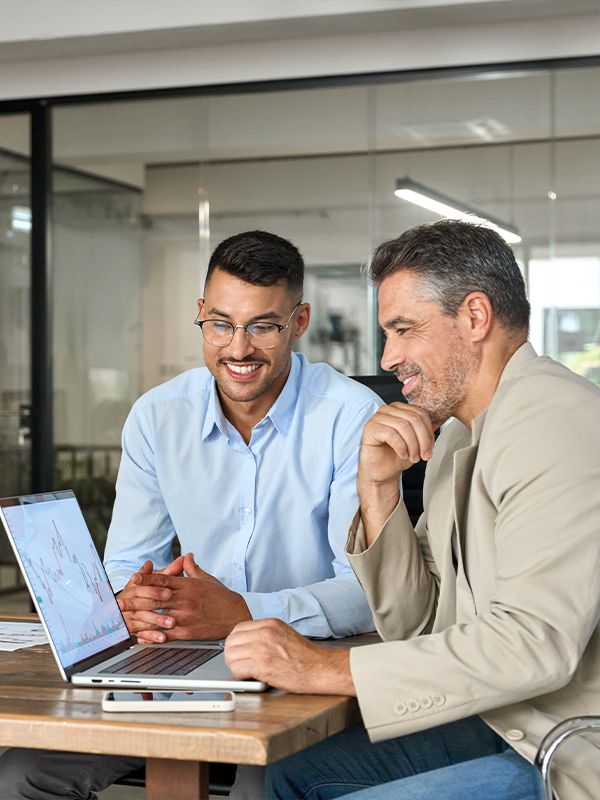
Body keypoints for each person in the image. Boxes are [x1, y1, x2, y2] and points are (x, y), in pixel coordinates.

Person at [224, 219, 600, 800]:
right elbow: (416, 623)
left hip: (562, 746)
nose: (388, 357)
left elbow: (533, 643)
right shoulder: (458, 434)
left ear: (475, 317)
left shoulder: (557, 422)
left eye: (403, 330)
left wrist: (323, 669)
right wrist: (378, 490)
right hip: (501, 718)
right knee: (291, 772)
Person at [0, 230, 381, 800]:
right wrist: (132, 601)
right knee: (20, 776)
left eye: (264, 326)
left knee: (262, 785)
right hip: (178, 659)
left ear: (299, 322)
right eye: (222, 323)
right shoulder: (158, 417)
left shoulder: (350, 415)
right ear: (201, 315)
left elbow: (366, 592)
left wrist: (241, 612)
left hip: (309, 666)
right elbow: (128, 563)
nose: (239, 348)